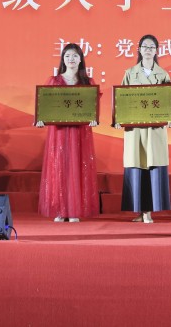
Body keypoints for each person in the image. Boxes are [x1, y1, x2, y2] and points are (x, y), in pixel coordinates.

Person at [36, 43, 99, 223]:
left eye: (75, 56)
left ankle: (73, 211)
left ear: (81, 59)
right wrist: (41, 118)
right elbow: (46, 105)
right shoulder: (54, 81)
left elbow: (93, 107)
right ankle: (60, 210)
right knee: (59, 167)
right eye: (67, 56)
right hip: (59, 133)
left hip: (80, 132)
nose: (71, 59)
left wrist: (93, 118)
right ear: (63, 60)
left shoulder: (88, 82)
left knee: (77, 167)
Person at [116, 34, 171, 224]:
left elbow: (168, 101)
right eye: (145, 47)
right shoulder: (129, 73)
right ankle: (140, 212)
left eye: (151, 47)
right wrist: (119, 119)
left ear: (156, 51)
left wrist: (169, 117)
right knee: (137, 167)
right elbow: (121, 100)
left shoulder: (163, 74)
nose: (148, 50)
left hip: (154, 130)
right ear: (139, 50)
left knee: (152, 167)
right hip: (135, 129)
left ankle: (148, 213)